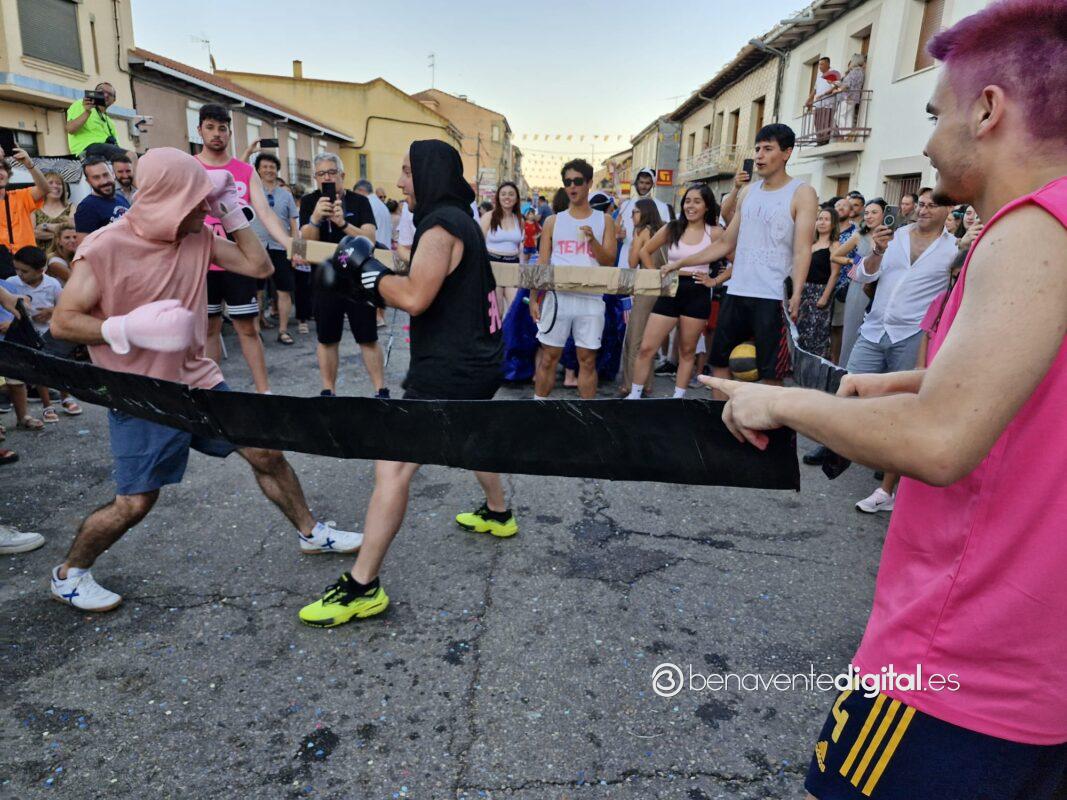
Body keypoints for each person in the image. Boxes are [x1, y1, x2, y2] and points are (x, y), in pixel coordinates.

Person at [705, 6, 1067, 795]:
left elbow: (939, 441)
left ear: (987, 109)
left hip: (959, 665)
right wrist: (900, 382)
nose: (929, 143)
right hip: (1039, 674)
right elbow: (1030, 389)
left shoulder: (1031, 230)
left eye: (935, 115)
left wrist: (780, 405)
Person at [48, 147, 361, 612]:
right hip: (141, 393)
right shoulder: (105, 247)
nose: (204, 209)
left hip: (198, 379)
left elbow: (260, 267)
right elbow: (63, 322)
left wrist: (230, 209)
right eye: (197, 201)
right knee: (135, 503)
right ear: (169, 201)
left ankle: (311, 532)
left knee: (265, 451)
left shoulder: (197, 235)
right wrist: (125, 328)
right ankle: (69, 574)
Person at [298, 140, 516, 628]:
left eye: (407, 172)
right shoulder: (460, 219)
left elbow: (416, 297)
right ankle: (499, 513)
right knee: (468, 436)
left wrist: (366, 276)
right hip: (478, 360)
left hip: (451, 368)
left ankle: (362, 586)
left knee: (392, 468)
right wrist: (376, 269)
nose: (399, 183)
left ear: (429, 174)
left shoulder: (440, 227)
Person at [668, 124, 818, 395]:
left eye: (768, 149)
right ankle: (724, 419)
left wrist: (797, 293)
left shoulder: (802, 192)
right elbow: (725, 243)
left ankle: (763, 423)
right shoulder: (748, 192)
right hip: (737, 291)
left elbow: (802, 249)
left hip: (773, 296)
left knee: (771, 375)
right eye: (757, 148)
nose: (759, 155)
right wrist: (681, 262)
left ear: (787, 153)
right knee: (719, 365)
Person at [844, 185, 955, 510]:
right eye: (921, 204)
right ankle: (841, 446)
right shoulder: (895, 237)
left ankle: (887, 486)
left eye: (932, 205)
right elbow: (860, 276)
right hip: (875, 328)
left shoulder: (952, 249)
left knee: (902, 408)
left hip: (911, 336)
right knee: (849, 388)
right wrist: (877, 251)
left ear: (947, 210)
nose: (923, 210)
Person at [195, 105, 292, 395]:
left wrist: (288, 243)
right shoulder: (190, 167)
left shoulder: (245, 170)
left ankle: (264, 393)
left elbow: (265, 213)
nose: (216, 134)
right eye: (210, 127)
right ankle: (212, 394)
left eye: (222, 128)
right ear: (199, 130)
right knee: (209, 329)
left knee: (248, 328)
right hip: (202, 262)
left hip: (239, 261)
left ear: (229, 132)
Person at [298, 152, 387, 398]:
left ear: (342, 175)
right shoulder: (309, 201)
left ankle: (381, 391)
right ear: (315, 178)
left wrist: (343, 224)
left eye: (331, 172)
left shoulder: (359, 201)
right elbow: (305, 244)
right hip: (324, 279)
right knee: (327, 338)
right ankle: (328, 391)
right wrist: (315, 219)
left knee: (367, 337)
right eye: (321, 174)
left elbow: (370, 239)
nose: (327, 178)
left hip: (358, 279)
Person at [627, 185, 726, 399]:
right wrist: (657, 276)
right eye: (687, 201)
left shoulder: (715, 232)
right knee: (646, 347)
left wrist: (714, 281)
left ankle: (677, 399)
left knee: (687, 351)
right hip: (670, 290)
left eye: (697, 201)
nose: (691, 206)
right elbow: (645, 251)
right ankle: (634, 396)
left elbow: (737, 261)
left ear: (707, 206)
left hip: (698, 292)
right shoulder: (672, 228)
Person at [530, 159, 617, 400]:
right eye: (567, 182)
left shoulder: (605, 220)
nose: (572, 186)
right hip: (558, 298)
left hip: (591, 298)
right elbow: (542, 264)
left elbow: (609, 261)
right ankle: (537, 410)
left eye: (577, 181)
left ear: (589, 183)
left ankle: (588, 416)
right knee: (549, 357)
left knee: (587, 360)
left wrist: (593, 241)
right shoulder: (553, 221)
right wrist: (534, 298)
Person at [6, 246, 81, 420]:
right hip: (26, 335)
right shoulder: (11, 283)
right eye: (16, 269)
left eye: (24, 271)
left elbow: (64, 306)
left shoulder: (52, 284)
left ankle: (66, 397)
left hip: (50, 332)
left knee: (58, 365)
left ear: (41, 270)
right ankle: (47, 405)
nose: (19, 274)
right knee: (38, 370)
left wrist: (51, 311)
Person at [618, 198, 667, 395]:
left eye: (635, 212)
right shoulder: (661, 230)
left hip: (646, 288)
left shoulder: (643, 232)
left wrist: (633, 241)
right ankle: (647, 383)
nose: (632, 216)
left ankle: (630, 384)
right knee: (649, 340)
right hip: (661, 288)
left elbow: (632, 262)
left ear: (645, 213)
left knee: (634, 338)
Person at [250, 153, 299, 345]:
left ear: (277, 170)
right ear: (258, 170)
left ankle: (283, 331)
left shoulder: (286, 195)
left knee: (284, 290)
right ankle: (256, 331)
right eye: (265, 167)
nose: (269, 170)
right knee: (256, 291)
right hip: (257, 246)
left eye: (272, 167)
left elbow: (294, 225)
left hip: (281, 247)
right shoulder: (252, 192)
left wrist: (297, 251)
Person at [795, 207, 840, 359]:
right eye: (820, 219)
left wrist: (825, 297)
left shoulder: (834, 245)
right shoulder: (810, 244)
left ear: (833, 224)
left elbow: (835, 274)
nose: (822, 222)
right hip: (804, 291)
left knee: (817, 333)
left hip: (821, 292)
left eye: (827, 219)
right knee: (801, 331)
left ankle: (815, 368)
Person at [0, 145, 49, 275]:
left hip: (28, 264)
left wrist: (29, 164)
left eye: (2, 168)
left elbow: (44, 189)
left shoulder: (20, 196)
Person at [64, 82, 136, 163]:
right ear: (95, 93)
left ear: (114, 100)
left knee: (137, 158)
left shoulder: (110, 122)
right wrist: (87, 111)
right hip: (86, 150)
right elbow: (70, 129)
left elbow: (116, 147)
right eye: (102, 92)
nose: (106, 95)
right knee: (130, 156)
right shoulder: (81, 104)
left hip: (103, 152)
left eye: (110, 94)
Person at [480, 181, 524, 313]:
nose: (507, 197)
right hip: (492, 266)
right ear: (498, 197)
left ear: (516, 198)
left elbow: (519, 247)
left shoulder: (519, 219)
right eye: (503, 194)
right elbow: (479, 244)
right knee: (496, 312)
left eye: (511, 194)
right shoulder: (488, 217)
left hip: (513, 266)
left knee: (515, 310)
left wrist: (522, 267)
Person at [615, 167, 671, 268]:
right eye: (641, 182)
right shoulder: (625, 205)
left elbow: (666, 234)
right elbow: (616, 230)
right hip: (627, 255)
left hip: (651, 257)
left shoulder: (662, 207)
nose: (643, 186)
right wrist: (618, 236)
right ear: (636, 183)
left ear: (653, 184)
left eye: (647, 183)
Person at [73, 157, 130, 243]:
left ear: (113, 174)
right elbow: (84, 246)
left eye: (106, 175)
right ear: (88, 181)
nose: (104, 181)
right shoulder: (86, 207)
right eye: (96, 177)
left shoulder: (121, 198)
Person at [32, 172, 73, 249]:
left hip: (65, 254)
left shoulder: (72, 207)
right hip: (41, 255)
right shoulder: (34, 209)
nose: (55, 186)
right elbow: (33, 234)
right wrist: (62, 233)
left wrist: (45, 226)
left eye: (59, 183)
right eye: (50, 183)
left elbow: (72, 228)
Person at [354, 179, 393, 251]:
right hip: (386, 251)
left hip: (374, 250)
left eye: (355, 194)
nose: (355, 198)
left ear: (360, 191)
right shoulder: (382, 205)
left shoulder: (366, 204)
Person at [806, 57, 835, 145]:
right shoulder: (819, 77)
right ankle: (820, 141)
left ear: (828, 64)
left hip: (828, 104)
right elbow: (815, 89)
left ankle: (825, 140)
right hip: (818, 104)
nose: (819, 66)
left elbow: (835, 86)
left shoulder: (833, 74)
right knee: (818, 122)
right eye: (819, 64)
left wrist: (824, 94)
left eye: (822, 64)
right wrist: (809, 99)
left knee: (826, 122)